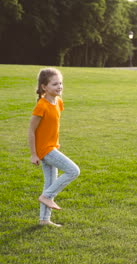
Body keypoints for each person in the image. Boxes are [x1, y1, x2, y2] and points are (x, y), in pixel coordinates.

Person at [28, 68, 80, 227]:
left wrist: (55, 141)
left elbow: (52, 126)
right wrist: (33, 154)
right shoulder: (41, 106)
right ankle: (47, 196)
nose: (59, 86)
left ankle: (44, 220)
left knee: (49, 182)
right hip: (45, 150)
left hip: (52, 146)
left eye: (61, 83)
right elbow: (31, 130)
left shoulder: (58, 102)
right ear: (44, 87)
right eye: (55, 84)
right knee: (73, 171)